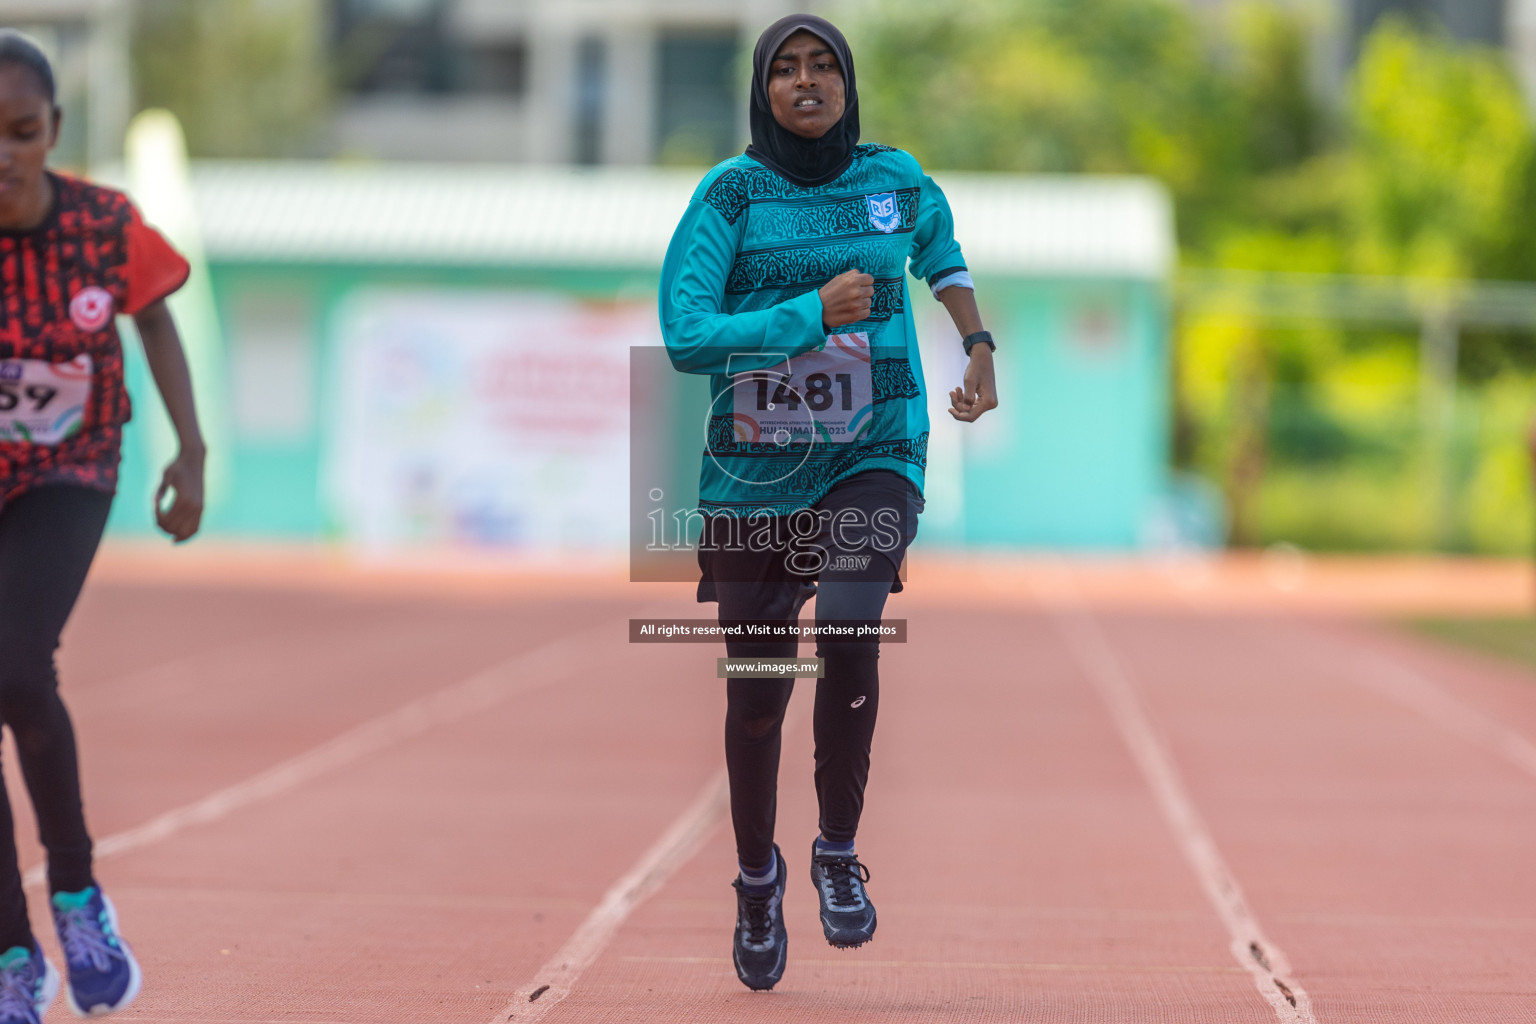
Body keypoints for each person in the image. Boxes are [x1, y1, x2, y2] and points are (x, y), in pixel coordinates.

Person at [659, 13, 998, 992]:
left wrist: (978, 346)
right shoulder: (730, 196)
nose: (806, 82)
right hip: (757, 472)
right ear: (762, 91)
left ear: (849, 83)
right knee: (758, 695)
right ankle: (758, 878)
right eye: (785, 70)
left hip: (874, 448)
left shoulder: (894, 179)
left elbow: (945, 256)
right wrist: (810, 314)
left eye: (823, 67)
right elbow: (684, 332)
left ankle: (838, 851)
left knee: (853, 627)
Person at [0, 30, 205, 1024]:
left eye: (22, 131)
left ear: (53, 133)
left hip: (69, 469)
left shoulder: (102, 223)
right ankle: (10, 951)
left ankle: (77, 892)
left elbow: (156, 317)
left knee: (12, 665)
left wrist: (190, 451)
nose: (2, 153)